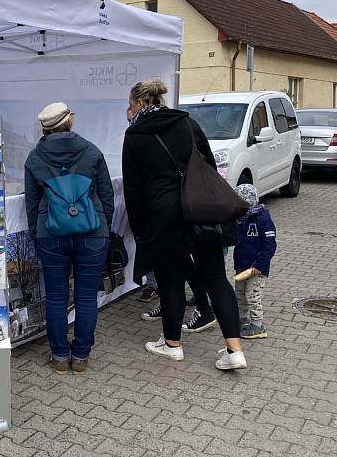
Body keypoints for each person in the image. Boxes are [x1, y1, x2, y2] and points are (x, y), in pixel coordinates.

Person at [122, 80, 247, 370]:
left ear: (140, 104)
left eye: (129, 105)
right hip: (199, 209)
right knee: (216, 278)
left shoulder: (134, 136)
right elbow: (209, 165)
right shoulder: (187, 122)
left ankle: (172, 345)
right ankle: (235, 350)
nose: (127, 111)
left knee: (171, 281)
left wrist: (141, 230)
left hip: (163, 216)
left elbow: (133, 190)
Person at [24, 102, 114, 374]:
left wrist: (36, 233)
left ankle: (60, 357)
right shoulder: (92, 151)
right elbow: (107, 196)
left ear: (44, 127)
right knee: (87, 297)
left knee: (55, 297)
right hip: (92, 233)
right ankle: (81, 357)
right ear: (70, 122)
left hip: (50, 234)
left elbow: (32, 203)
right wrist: (103, 229)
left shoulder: (35, 158)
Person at [233, 184, 276, 339]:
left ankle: (258, 326)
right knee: (239, 294)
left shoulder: (262, 219)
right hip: (242, 266)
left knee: (253, 296)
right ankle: (242, 320)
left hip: (257, 269)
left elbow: (270, 245)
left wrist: (260, 264)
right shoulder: (241, 219)